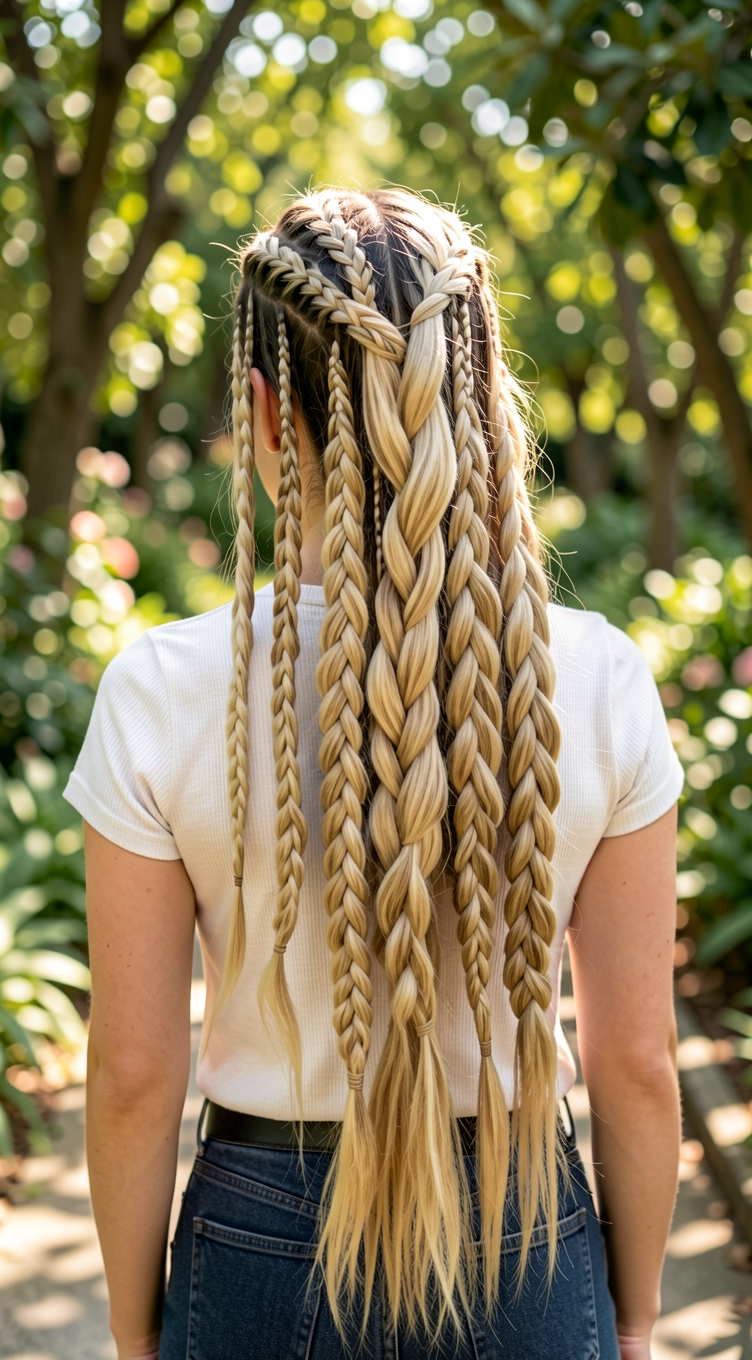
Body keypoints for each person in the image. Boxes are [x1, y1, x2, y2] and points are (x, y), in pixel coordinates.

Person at [65, 188, 683, 1360]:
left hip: (256, 1236)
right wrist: (637, 1318)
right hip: (522, 1226)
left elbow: (136, 1073)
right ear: (478, 389)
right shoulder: (594, 678)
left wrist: (136, 1334)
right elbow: (636, 1063)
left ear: (260, 409)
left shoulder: (160, 687)